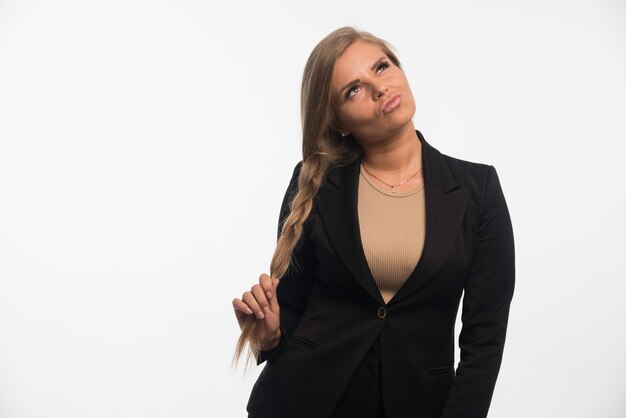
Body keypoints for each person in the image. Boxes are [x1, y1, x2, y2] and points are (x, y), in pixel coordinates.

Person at [231, 26, 515, 418]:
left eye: (382, 67)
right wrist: (271, 334)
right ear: (339, 122)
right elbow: (293, 307)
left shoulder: (477, 190)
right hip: (302, 401)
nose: (379, 88)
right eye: (354, 89)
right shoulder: (313, 184)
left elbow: (485, 339)